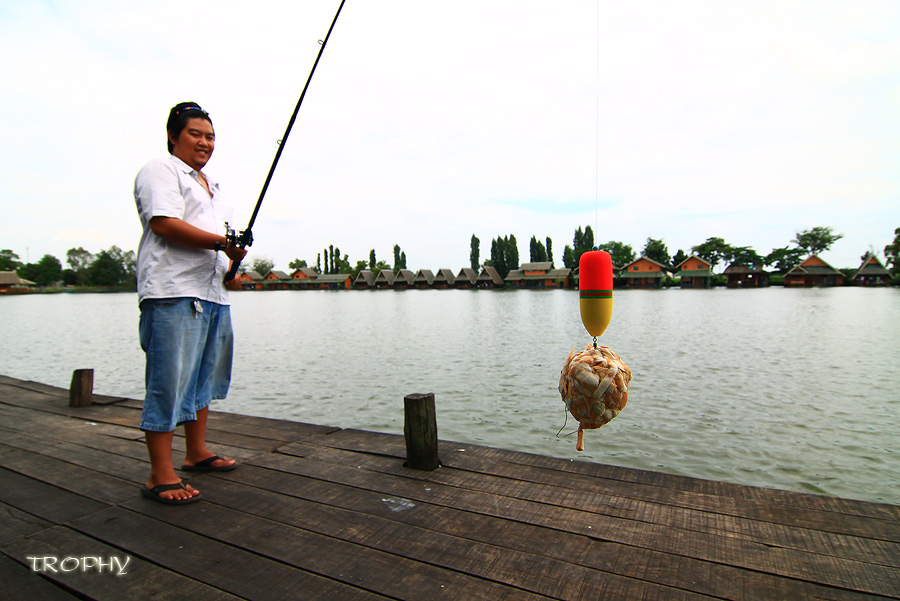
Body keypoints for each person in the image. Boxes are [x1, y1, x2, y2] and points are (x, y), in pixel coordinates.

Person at [133, 102, 247, 505]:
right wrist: (220, 242)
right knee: (168, 381)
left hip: (212, 293)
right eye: (196, 134)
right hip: (173, 291)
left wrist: (231, 265)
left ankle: (196, 452)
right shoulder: (160, 170)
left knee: (202, 378)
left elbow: (218, 243)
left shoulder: (213, 185)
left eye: (210, 136)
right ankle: (159, 474)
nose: (204, 142)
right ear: (173, 136)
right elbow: (163, 223)